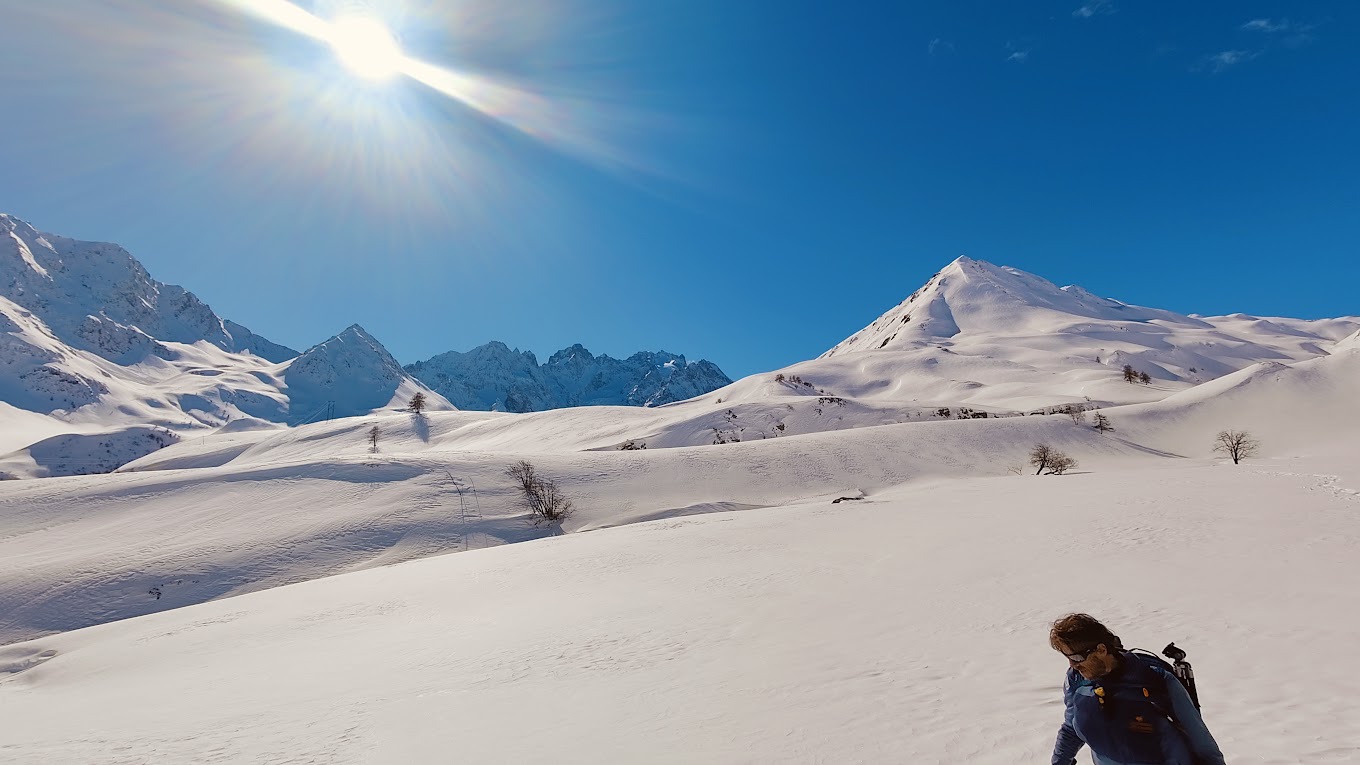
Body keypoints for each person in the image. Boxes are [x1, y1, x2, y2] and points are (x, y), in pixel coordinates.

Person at [1049, 613, 1226, 765]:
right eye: (1067, 657)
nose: (1072, 665)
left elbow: (1198, 735)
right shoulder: (1076, 681)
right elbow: (1072, 728)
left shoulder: (1153, 678)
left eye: (1077, 657)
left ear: (1101, 650)